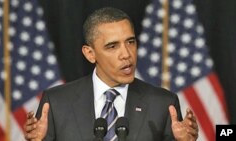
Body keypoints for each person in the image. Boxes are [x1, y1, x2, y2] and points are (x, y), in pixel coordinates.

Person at [24, 7, 198, 141]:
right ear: (90, 54)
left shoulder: (163, 104)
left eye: (130, 42)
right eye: (112, 46)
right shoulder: (56, 103)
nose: (126, 54)